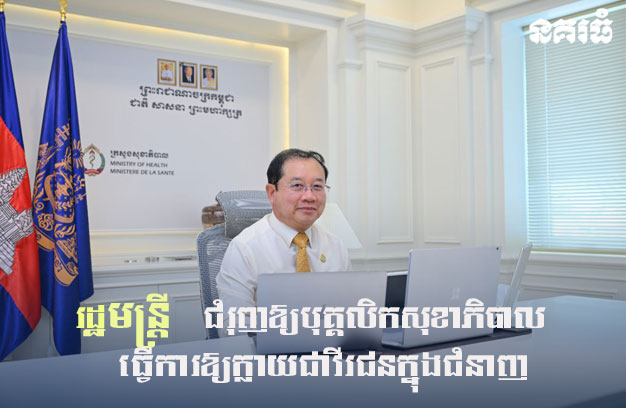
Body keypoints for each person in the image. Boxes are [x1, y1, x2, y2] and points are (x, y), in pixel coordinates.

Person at [216, 149, 351, 336]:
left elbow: (350, 312)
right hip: (270, 352)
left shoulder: (336, 246)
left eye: (317, 186)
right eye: (297, 186)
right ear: (272, 193)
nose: (309, 196)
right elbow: (233, 326)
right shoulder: (245, 248)